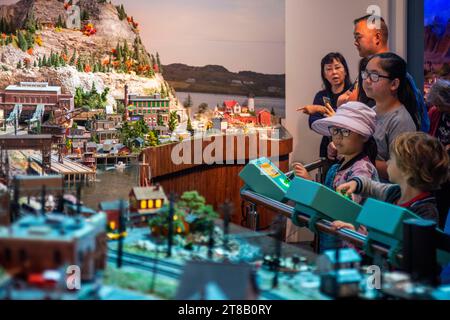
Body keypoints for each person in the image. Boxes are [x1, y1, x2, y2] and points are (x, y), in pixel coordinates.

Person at [294, 102, 379, 251]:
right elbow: (330, 196)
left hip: (351, 249)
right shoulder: (337, 166)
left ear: (364, 136)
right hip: (332, 240)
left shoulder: (363, 170)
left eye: (346, 132)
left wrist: (309, 185)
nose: (338, 137)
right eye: (335, 130)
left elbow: (341, 206)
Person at [335, 132, 449, 228]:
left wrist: (358, 236)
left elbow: (412, 250)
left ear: (407, 169)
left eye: (391, 158)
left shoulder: (425, 213)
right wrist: (355, 183)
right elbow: (370, 186)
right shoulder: (395, 192)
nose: (388, 162)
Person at [337, 14, 430, 133]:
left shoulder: (400, 76)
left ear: (377, 37)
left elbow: (418, 123)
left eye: (358, 37)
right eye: (367, 75)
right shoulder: (366, 71)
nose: (355, 42)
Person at [362, 52, 418, 180]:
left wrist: (357, 160)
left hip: (386, 195)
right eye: (366, 73)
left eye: (374, 75)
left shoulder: (401, 121)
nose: (367, 80)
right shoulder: (370, 111)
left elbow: (400, 170)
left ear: (394, 84)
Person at [298, 52, 352, 159]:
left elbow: (353, 124)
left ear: (345, 71)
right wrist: (335, 120)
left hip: (349, 146)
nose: (334, 72)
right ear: (324, 74)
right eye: (329, 69)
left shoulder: (353, 94)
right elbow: (313, 122)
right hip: (327, 146)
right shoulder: (321, 96)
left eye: (337, 67)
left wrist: (322, 112)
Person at [426, 79, 450, 229]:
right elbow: (430, 135)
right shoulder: (435, 112)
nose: (438, 108)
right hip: (440, 167)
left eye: (441, 105)